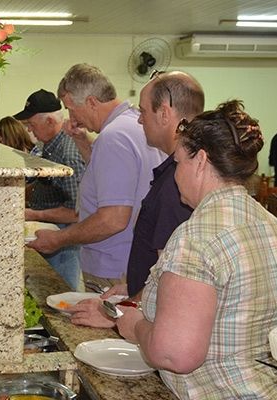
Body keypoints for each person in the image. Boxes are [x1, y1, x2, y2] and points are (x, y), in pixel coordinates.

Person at [115, 100, 277, 399]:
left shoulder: (196, 237)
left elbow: (175, 355)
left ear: (200, 161)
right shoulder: (274, 226)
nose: (176, 175)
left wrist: (136, 326)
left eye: (178, 163)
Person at [68, 71, 203, 328]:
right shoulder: (171, 172)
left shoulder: (178, 184)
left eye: (142, 112)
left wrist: (116, 314)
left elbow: (172, 278)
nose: (139, 120)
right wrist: (132, 288)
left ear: (164, 113)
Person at [28, 63, 165, 289]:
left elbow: (113, 219)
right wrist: (82, 141)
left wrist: (58, 239)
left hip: (113, 266)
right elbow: (113, 176)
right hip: (132, 259)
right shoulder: (131, 125)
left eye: (71, 109)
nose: (71, 118)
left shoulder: (114, 137)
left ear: (92, 102)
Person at [14, 89, 86, 290]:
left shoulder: (68, 153)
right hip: (48, 233)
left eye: (31, 125)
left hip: (64, 242)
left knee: (62, 293)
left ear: (50, 122)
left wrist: (34, 213)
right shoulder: (49, 146)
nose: (29, 131)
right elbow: (43, 184)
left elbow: (76, 212)